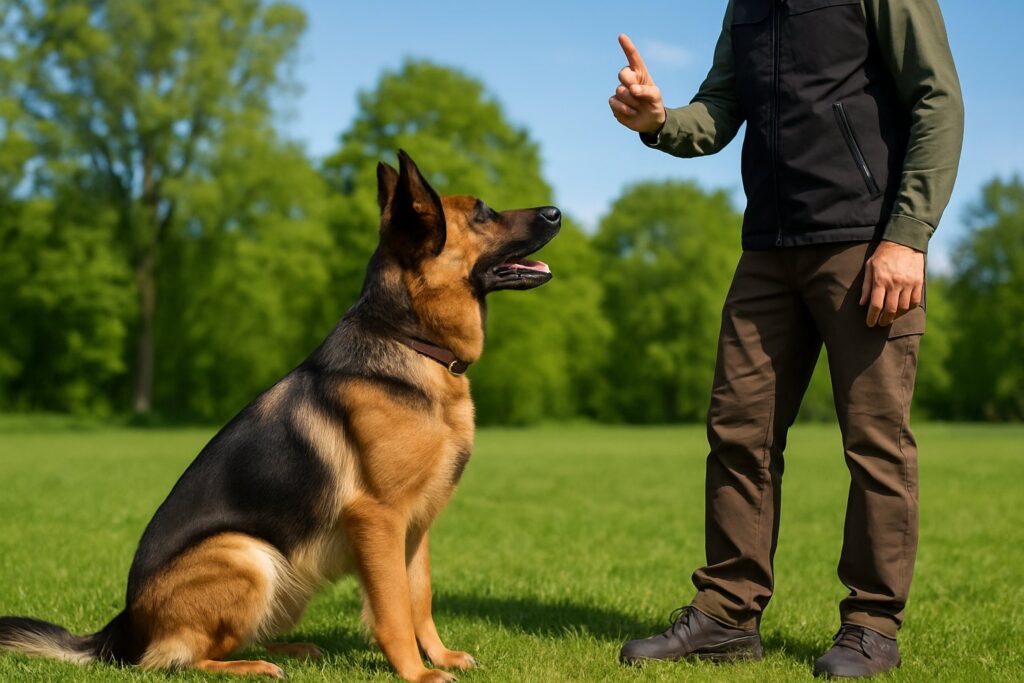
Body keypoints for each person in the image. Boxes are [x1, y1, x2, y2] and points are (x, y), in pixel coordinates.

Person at [609, 0, 963, 678]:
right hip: (769, 246)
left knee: (874, 442)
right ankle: (726, 614)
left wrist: (907, 235)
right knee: (738, 429)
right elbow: (717, 108)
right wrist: (658, 121)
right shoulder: (746, 5)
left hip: (866, 242)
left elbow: (937, 100)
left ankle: (870, 627)